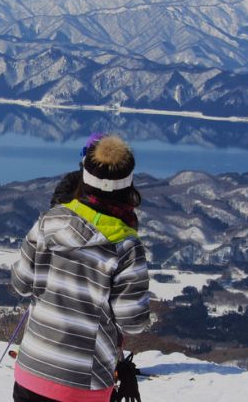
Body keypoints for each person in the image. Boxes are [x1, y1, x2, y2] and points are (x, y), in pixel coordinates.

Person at [11, 135, 150, 402]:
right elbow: (132, 321)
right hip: (84, 383)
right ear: (128, 185)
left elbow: (20, 282)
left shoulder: (49, 223)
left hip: (33, 371)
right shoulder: (126, 245)